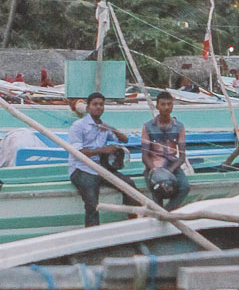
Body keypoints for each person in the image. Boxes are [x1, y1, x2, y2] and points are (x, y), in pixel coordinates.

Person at [66, 90, 129, 226]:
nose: (99, 107)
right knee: (92, 203)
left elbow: (124, 139)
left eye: (101, 104)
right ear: (88, 108)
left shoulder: (104, 126)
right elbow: (78, 152)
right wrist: (102, 150)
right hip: (81, 169)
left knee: (129, 186)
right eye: (95, 104)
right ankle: (93, 235)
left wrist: (110, 128)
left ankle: (133, 222)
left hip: (100, 168)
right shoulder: (78, 126)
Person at [140, 91, 190, 210]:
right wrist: (154, 171)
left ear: (172, 106)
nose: (166, 107)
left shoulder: (179, 126)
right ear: (157, 106)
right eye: (163, 104)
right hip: (154, 167)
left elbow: (182, 156)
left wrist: (169, 172)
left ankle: (166, 212)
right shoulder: (148, 127)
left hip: (172, 166)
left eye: (169, 104)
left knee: (184, 187)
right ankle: (160, 212)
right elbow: (145, 156)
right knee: (158, 190)